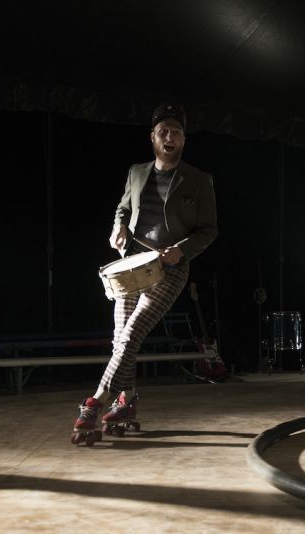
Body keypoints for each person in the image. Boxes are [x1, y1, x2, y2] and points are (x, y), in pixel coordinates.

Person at [71, 104, 218, 444]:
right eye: (164, 131)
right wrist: (118, 227)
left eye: (176, 132)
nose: (170, 136)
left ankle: (95, 402)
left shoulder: (200, 180)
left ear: (184, 140)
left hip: (170, 268)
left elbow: (208, 230)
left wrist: (182, 249)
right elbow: (122, 209)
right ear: (153, 137)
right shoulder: (136, 172)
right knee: (121, 336)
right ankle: (127, 401)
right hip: (133, 265)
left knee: (132, 332)